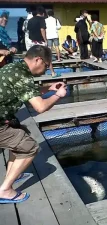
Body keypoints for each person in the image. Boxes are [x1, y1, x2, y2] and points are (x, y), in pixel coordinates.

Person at [0, 45, 67, 204]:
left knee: (19, 131)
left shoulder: (13, 67)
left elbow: (23, 88)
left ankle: (14, 172)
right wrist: (58, 95)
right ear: (38, 60)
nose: (46, 69)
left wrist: (46, 89)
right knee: (30, 148)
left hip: (4, 119)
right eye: (46, 65)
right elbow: (40, 107)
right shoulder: (23, 76)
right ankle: (5, 190)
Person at [27, 6, 59, 78]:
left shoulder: (30, 20)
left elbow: (29, 30)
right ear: (42, 13)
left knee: (33, 57)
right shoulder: (42, 19)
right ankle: (53, 72)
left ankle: (32, 73)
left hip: (32, 41)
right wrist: (45, 40)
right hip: (40, 41)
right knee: (47, 56)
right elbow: (42, 30)